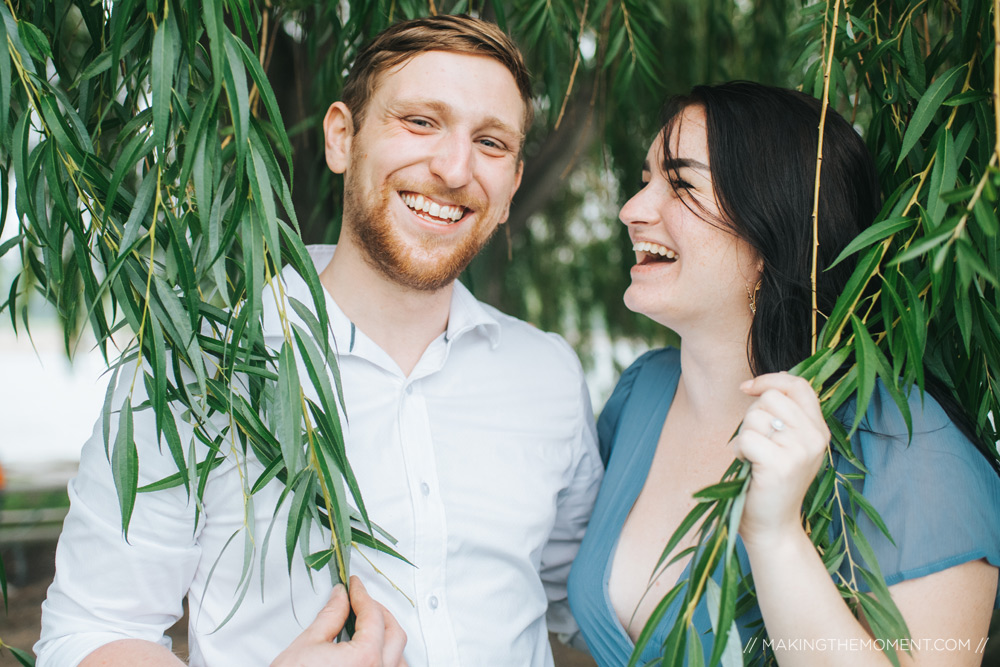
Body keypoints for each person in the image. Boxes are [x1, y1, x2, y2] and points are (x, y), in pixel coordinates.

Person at [36, 15, 602, 667]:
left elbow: (582, 602)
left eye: (492, 143)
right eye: (420, 122)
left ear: (512, 188)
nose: (453, 167)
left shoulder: (548, 378)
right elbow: (91, 628)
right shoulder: (199, 364)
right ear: (341, 137)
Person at [567, 81, 1000, 666]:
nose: (632, 209)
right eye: (646, 180)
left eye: (681, 183)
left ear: (776, 225)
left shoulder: (911, 450)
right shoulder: (641, 394)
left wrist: (775, 537)